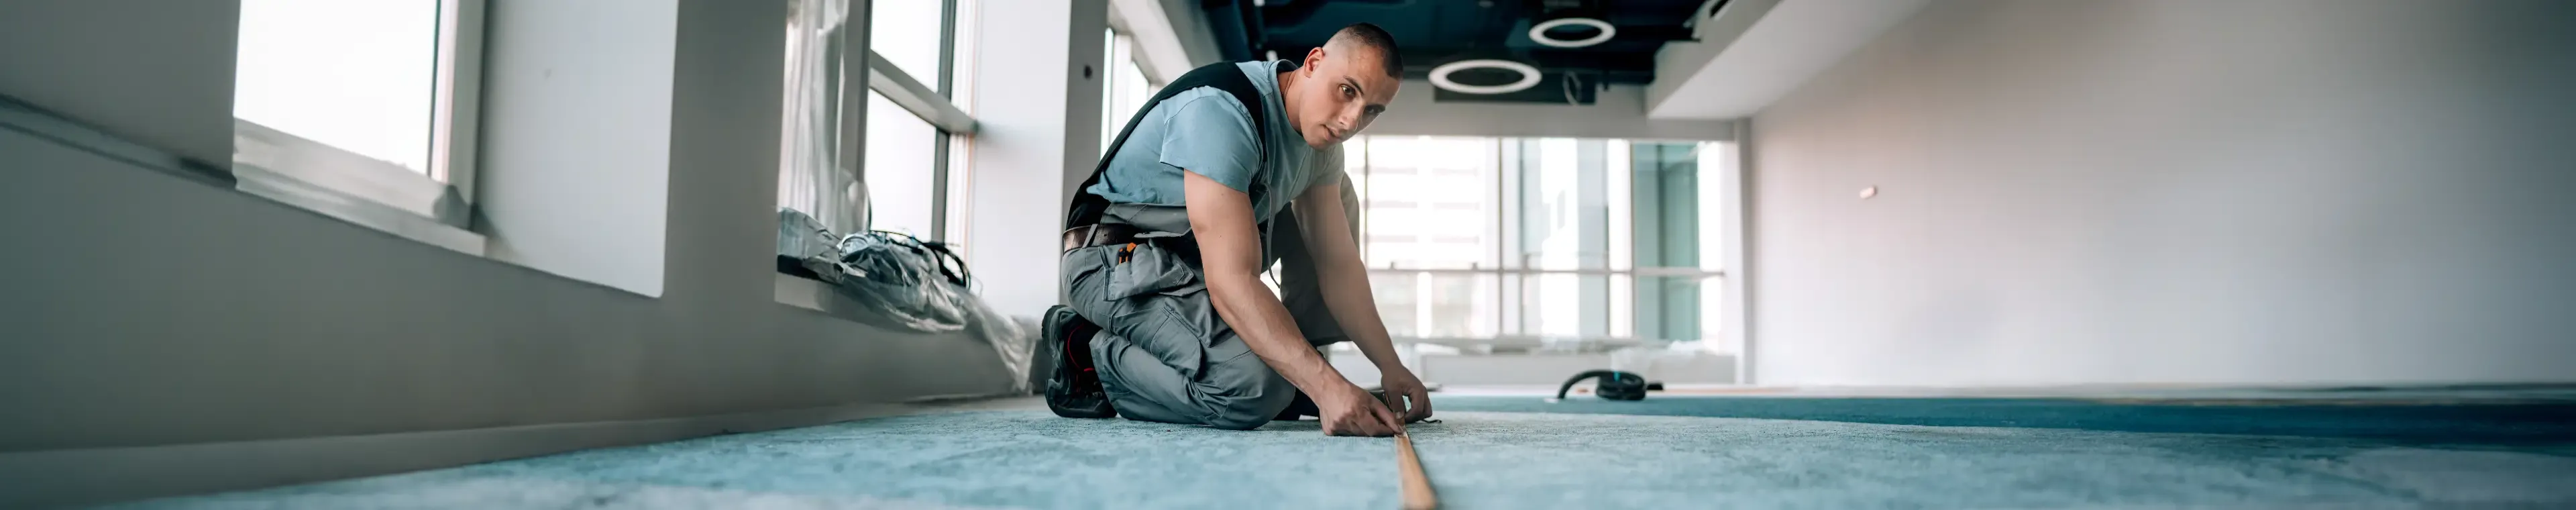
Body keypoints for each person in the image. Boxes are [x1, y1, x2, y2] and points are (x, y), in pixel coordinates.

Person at [1044, 23, 1424, 437]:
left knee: (1338, 197)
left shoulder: (1323, 149)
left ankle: (1291, 364)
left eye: (1371, 110)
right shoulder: (1223, 112)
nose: (1352, 120)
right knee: (1252, 390)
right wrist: (1325, 386)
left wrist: (1391, 366)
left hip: (1187, 268)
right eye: (1348, 91)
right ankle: (1086, 349)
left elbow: (1336, 264)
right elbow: (1231, 280)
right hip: (1111, 263)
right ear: (1313, 63)